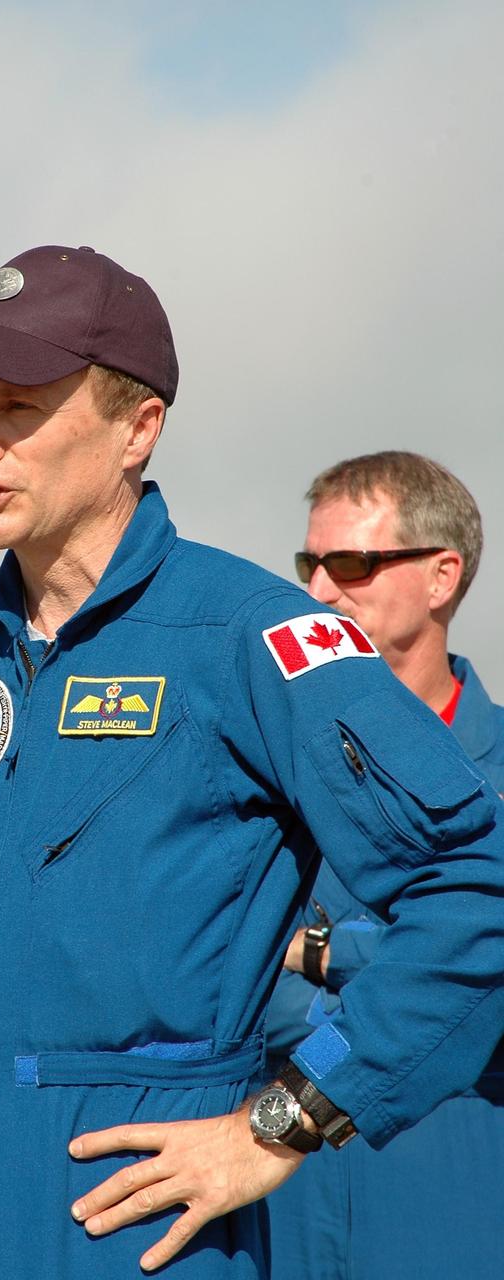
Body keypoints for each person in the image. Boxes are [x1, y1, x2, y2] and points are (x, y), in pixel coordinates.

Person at [0, 247, 504, 1280]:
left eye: (17, 409)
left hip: (144, 1221)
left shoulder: (251, 634)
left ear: (138, 427)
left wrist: (283, 1120)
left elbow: (475, 881)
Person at [264, 451, 504, 1280]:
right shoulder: (256, 776)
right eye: (310, 564)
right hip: (268, 1178)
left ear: (443, 577)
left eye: (355, 564)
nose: (322, 592)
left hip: (460, 1183)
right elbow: (206, 954)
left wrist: (322, 952)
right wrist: (412, 971)